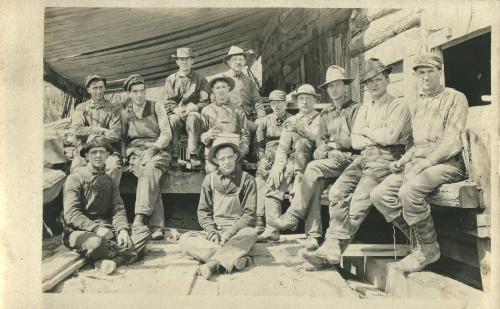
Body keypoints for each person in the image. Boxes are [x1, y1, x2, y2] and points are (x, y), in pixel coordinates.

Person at [302, 58, 412, 269]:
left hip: (387, 158)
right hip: (364, 157)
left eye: (378, 79)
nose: (374, 85)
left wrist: (368, 133)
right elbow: (355, 140)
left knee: (359, 201)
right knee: (336, 193)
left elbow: (389, 138)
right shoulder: (365, 108)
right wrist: (372, 135)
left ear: (387, 79)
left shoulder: (398, 105)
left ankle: (330, 250)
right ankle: (331, 248)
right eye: (369, 82)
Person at [370, 53, 468, 272]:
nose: (425, 77)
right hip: (419, 164)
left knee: (409, 191)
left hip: (448, 164)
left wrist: (426, 163)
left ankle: (427, 250)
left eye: (429, 72)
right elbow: (417, 143)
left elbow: (452, 141)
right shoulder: (421, 103)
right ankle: (421, 245)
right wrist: (403, 160)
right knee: (380, 195)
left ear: (440, 72)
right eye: (420, 73)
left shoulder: (455, 98)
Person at [269, 66, 360, 251]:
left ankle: (293, 214)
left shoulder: (355, 109)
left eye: (337, 85)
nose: (334, 90)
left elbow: (357, 138)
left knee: (312, 168)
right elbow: (320, 139)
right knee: (315, 184)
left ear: (345, 87)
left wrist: (332, 146)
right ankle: (314, 235)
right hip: (331, 161)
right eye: (330, 87)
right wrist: (325, 149)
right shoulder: (326, 113)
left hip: (351, 159)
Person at [62, 140, 151, 275]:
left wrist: (122, 230)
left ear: (108, 155)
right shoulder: (75, 178)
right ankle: (125, 253)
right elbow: (71, 214)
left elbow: (117, 208)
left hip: (108, 227)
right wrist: (96, 228)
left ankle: (115, 260)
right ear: (86, 156)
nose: (98, 155)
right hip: (79, 230)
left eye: (102, 152)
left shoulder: (109, 180)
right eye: (93, 152)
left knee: (143, 231)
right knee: (96, 244)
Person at [178, 136, 258, 280]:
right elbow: (203, 212)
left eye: (229, 157)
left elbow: (249, 215)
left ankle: (211, 265)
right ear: (216, 161)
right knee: (185, 239)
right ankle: (236, 258)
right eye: (222, 159)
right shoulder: (209, 180)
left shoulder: (247, 180)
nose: (226, 162)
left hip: (237, 233)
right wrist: (212, 232)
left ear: (235, 157)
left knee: (251, 233)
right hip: (215, 234)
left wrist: (230, 232)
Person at [260, 84, 321, 244]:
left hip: (314, 161)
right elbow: (283, 147)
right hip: (293, 162)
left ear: (315, 100)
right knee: (274, 180)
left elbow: (321, 141)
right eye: (301, 98)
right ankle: (272, 229)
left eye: (309, 98)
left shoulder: (320, 119)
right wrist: (277, 166)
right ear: (297, 101)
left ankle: (312, 235)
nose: (305, 102)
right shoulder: (291, 120)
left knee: (311, 187)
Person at [121, 74, 172, 240]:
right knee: (146, 173)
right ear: (129, 93)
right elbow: (121, 138)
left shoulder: (156, 107)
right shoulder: (125, 112)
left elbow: (166, 133)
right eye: (135, 91)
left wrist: (155, 147)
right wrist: (124, 154)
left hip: (158, 149)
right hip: (136, 152)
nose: (139, 95)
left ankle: (140, 217)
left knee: (149, 170)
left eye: (142, 91)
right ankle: (158, 226)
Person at [70, 73, 122, 187]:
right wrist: (99, 130)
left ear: (105, 88)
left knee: (113, 167)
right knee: (76, 168)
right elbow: (76, 130)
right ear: (88, 90)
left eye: (100, 87)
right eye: (94, 88)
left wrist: (93, 139)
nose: (98, 91)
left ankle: (110, 200)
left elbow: (116, 134)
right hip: (85, 152)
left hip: (107, 151)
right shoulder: (81, 108)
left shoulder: (114, 108)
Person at [253, 90, 292, 235]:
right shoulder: (264, 121)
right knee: (260, 178)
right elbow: (258, 145)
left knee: (275, 181)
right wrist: (261, 158)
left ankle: (274, 223)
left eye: (280, 103)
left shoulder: (292, 120)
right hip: (268, 156)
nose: (276, 106)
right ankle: (259, 219)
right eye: (273, 103)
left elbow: (294, 145)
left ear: (286, 104)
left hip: (285, 156)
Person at [163, 47, 208, 168]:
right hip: (176, 113)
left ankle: (193, 155)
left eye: (187, 59)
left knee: (193, 118)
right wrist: (175, 109)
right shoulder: (170, 79)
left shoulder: (200, 79)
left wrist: (195, 107)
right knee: (173, 120)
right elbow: (167, 101)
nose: (184, 62)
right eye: (181, 60)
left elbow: (206, 101)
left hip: (193, 115)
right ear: (177, 62)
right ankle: (175, 156)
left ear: (192, 61)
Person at [222, 45, 266, 162]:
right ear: (229, 62)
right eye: (235, 60)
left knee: (258, 126)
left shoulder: (248, 80)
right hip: (229, 116)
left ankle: (257, 155)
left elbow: (257, 100)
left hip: (248, 116)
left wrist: (261, 116)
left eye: (241, 59)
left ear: (244, 61)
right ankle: (238, 157)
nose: (238, 62)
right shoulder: (223, 79)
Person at [201, 75, 250, 172]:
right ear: (213, 90)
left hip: (233, 154)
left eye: (223, 87)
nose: (221, 90)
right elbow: (201, 137)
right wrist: (207, 136)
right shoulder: (206, 110)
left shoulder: (238, 110)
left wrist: (241, 151)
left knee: (235, 176)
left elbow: (245, 135)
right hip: (214, 155)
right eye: (217, 88)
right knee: (213, 175)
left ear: (228, 88)